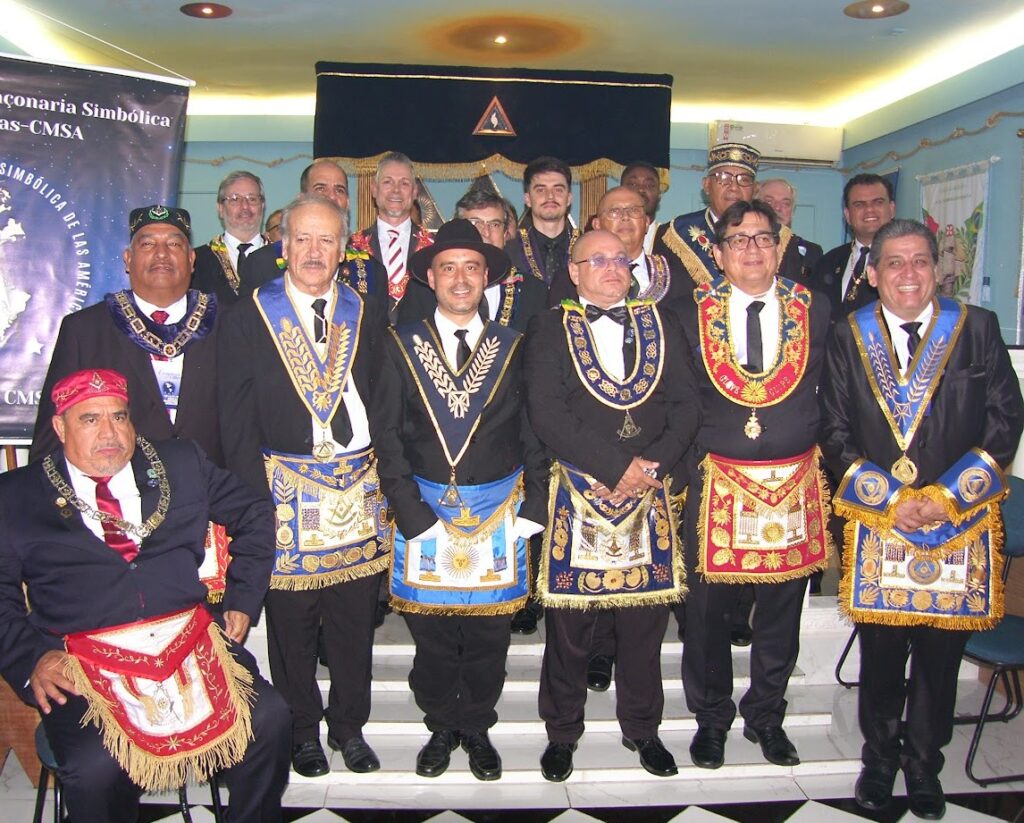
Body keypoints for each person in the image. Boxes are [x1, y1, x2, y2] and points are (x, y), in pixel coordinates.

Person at [0, 368, 289, 822]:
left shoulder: (180, 463)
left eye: (118, 416)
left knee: (270, 719)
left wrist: (242, 598)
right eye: (90, 419)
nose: (109, 433)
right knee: (94, 767)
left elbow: (254, 511)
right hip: (82, 656)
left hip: (188, 641)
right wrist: (30, 658)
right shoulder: (15, 496)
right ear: (60, 426)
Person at [820, 218, 1024, 819]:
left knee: (939, 659)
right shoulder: (847, 334)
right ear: (874, 273)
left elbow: (1006, 419)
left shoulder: (977, 327)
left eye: (920, 261)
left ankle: (924, 765)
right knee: (882, 655)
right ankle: (880, 760)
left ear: (938, 269)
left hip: (959, 521)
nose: (908, 273)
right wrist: (891, 500)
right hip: (881, 520)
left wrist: (945, 497)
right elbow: (834, 429)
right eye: (894, 262)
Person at [218, 194, 390, 778]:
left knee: (353, 626)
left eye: (326, 240)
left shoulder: (365, 311)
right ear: (283, 246)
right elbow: (235, 421)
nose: (314, 251)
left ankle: (349, 727)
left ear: (343, 250)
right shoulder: (247, 316)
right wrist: (252, 505)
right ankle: (302, 731)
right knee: (291, 629)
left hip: (357, 490)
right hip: (284, 492)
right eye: (303, 239)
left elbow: (382, 397)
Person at [371, 218, 547, 780]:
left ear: (486, 277)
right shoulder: (401, 343)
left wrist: (536, 504)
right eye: (448, 268)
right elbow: (387, 436)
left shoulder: (514, 345)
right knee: (434, 634)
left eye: (472, 267)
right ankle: (440, 723)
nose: (461, 278)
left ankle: (476, 724)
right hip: (424, 509)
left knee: (490, 633)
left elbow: (533, 430)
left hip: (498, 509)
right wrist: (408, 509)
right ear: (432, 278)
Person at [525, 229, 700, 782]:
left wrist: (650, 468)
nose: (611, 268)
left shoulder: (661, 322)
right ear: (574, 272)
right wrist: (613, 467)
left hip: (650, 493)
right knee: (569, 630)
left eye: (620, 259)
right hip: (579, 496)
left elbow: (687, 406)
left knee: (645, 627)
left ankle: (643, 729)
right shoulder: (549, 327)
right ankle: (562, 732)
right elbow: (546, 412)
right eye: (597, 259)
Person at [664, 199, 831, 771]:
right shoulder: (687, 313)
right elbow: (677, 401)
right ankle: (711, 718)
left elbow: (834, 392)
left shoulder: (815, 308)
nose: (752, 250)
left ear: (779, 247)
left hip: (793, 483)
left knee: (781, 612)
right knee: (706, 614)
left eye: (763, 238)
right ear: (718, 253)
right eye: (738, 240)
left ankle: (766, 716)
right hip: (716, 484)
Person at [31, 205, 229, 599]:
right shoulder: (86, 329)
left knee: (208, 630)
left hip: (211, 514)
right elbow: (53, 437)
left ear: (192, 259)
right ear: (127, 258)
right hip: (115, 522)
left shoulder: (230, 322)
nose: (161, 253)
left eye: (174, 244)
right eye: (147, 244)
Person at [653, 143, 809, 296]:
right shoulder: (674, 234)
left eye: (744, 179)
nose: (734, 187)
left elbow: (790, 298)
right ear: (707, 185)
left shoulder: (780, 238)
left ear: (754, 189)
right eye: (723, 177)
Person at [550, 186, 681, 306]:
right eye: (615, 211)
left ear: (647, 223)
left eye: (634, 210)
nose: (625, 217)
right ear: (597, 225)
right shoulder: (569, 279)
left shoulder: (673, 276)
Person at [345, 151, 435, 323]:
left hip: (421, 337)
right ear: (374, 189)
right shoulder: (351, 247)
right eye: (388, 182)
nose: (396, 190)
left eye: (404, 183)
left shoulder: (434, 247)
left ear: (415, 192)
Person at [242, 159, 353, 296]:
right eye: (320, 188)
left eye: (339, 190)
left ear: (348, 203)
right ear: (301, 198)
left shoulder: (369, 270)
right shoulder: (261, 264)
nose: (331, 196)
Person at [457, 189, 548, 331]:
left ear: (505, 235)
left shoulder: (534, 291)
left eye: (494, 224)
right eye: (475, 223)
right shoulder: (432, 287)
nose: (485, 233)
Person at [813, 173, 895, 320]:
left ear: (892, 209)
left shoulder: (904, 262)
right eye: (859, 205)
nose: (869, 210)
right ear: (847, 215)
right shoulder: (828, 262)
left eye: (878, 202)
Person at [191, 171, 268, 306]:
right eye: (235, 199)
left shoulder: (283, 257)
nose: (245, 206)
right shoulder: (196, 261)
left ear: (262, 206)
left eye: (252, 199)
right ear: (220, 208)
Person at [506, 156, 580, 294]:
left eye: (558, 190)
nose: (550, 196)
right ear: (528, 199)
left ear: (569, 198)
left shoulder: (587, 248)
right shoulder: (509, 250)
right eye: (540, 190)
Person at [755, 177, 822, 273]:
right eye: (769, 201)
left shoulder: (811, 252)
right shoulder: (742, 246)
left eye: (786, 203)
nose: (777, 208)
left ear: (792, 211)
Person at [620, 161, 663, 254]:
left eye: (649, 185)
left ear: (659, 195)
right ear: (620, 192)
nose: (641, 189)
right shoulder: (606, 237)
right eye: (633, 184)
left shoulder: (671, 239)